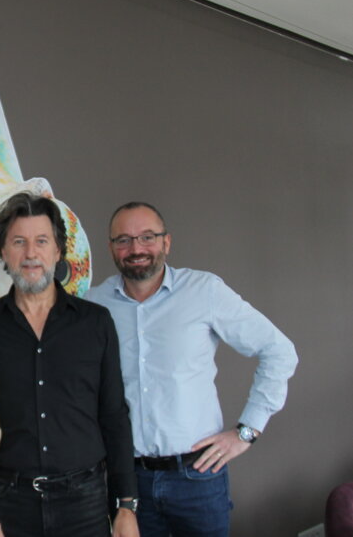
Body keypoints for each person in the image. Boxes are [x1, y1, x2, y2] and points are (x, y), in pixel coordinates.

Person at [86, 201, 298, 537]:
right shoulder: (94, 305)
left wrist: (247, 431)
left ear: (166, 242)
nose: (136, 248)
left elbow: (279, 351)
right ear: (111, 247)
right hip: (128, 482)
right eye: (123, 240)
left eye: (147, 237)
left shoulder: (204, 291)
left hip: (198, 477)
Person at [0, 192, 139, 537]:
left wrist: (126, 504)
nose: (31, 253)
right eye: (19, 242)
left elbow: (114, 415)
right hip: (7, 503)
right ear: (3, 252)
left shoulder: (95, 322)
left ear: (58, 250)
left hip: (85, 502)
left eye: (42, 241)